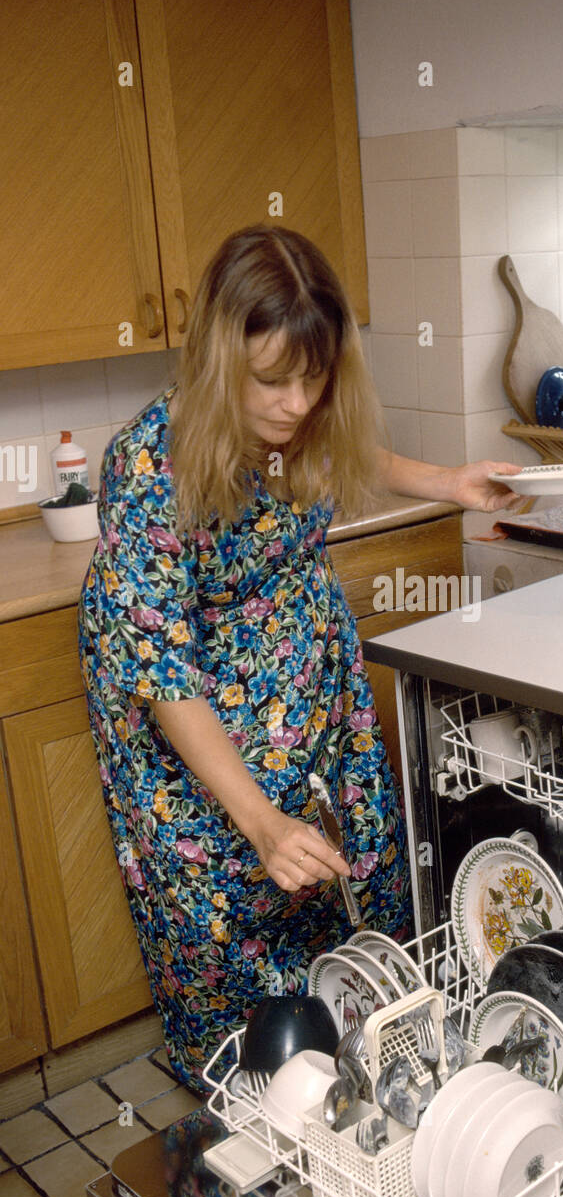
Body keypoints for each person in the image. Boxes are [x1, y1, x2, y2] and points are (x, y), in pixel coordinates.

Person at [78, 224, 522, 1092]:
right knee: (230, 899)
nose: (294, 402)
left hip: (302, 666)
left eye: (314, 377)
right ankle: (249, 1097)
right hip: (184, 692)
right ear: (215, 361)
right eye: (271, 379)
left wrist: (451, 482)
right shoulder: (146, 465)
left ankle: (363, 1064)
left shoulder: (306, 417)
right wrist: (261, 821)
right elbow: (163, 671)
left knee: (350, 868)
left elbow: (344, 451)